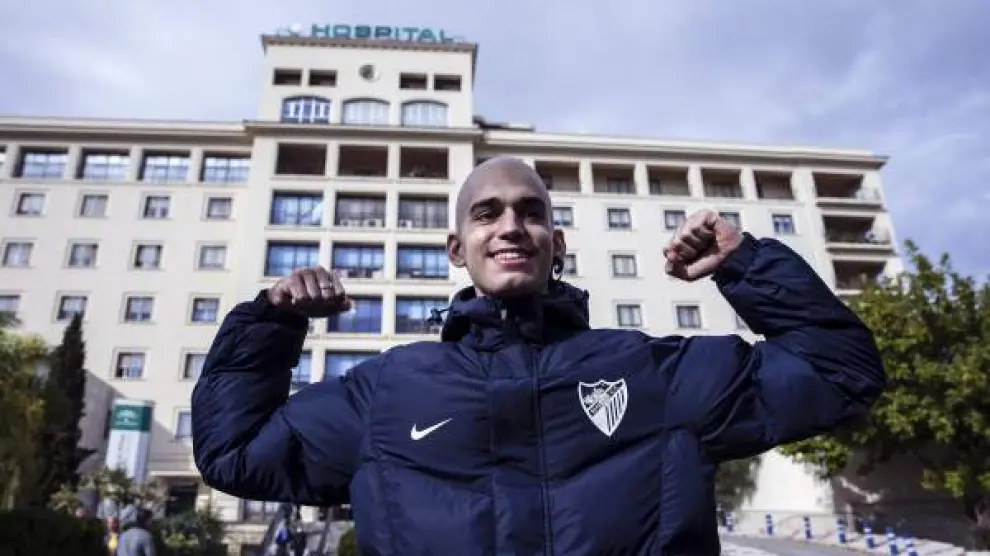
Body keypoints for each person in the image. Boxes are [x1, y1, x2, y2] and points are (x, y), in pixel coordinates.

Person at [192, 156, 886, 555]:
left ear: (557, 245)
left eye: (531, 212)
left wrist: (744, 264)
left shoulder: (649, 373)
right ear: (457, 249)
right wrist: (270, 325)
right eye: (487, 213)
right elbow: (234, 451)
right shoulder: (388, 392)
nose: (511, 226)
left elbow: (839, 369)